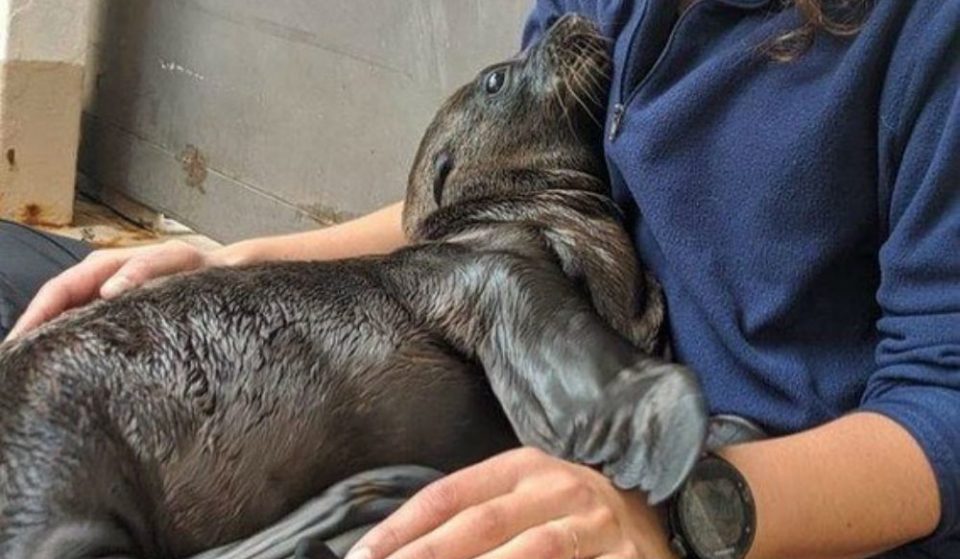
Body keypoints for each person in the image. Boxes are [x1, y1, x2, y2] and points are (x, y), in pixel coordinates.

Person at [3, 0, 958, 557]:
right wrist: (239, 258)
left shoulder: (930, 38)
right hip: (542, 376)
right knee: (35, 286)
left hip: (722, 475)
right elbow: (500, 190)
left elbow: (944, 411)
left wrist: (676, 517)